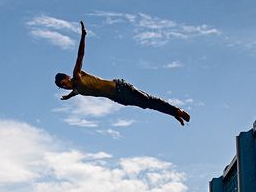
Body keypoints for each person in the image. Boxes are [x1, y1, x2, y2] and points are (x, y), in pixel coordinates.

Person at [55, 21, 191, 126]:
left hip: (120, 87)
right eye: (63, 87)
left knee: (147, 99)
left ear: (67, 77)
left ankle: (175, 110)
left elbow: (80, 55)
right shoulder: (77, 89)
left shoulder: (77, 76)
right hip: (118, 98)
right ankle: (173, 112)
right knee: (146, 104)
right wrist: (68, 96)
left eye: (64, 83)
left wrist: (83, 36)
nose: (65, 87)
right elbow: (76, 92)